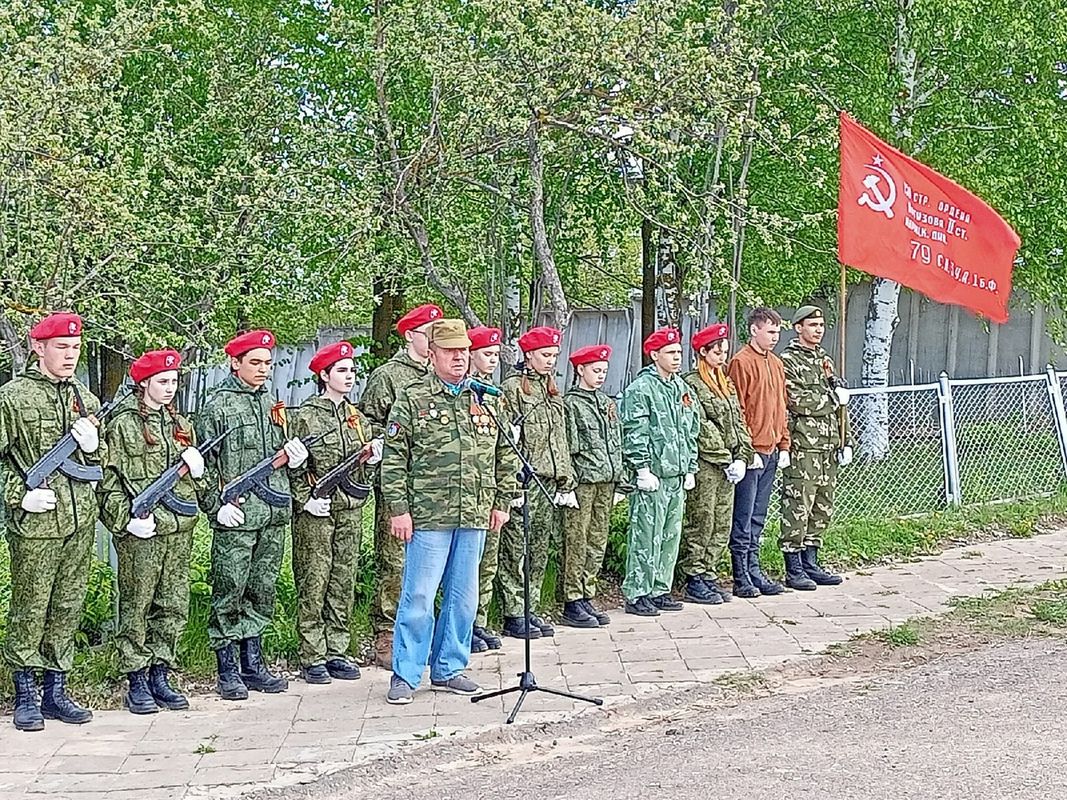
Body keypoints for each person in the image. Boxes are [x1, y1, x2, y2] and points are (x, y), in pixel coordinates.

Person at [381, 319, 517, 705]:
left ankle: (449, 667)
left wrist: (501, 501)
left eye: (463, 351)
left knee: (463, 597)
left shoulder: (486, 397)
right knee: (419, 596)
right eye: (450, 351)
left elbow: (504, 454)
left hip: (474, 511)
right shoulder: (412, 398)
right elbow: (393, 460)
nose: (459, 358)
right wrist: (399, 509)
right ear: (434, 353)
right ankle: (406, 673)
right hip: (427, 514)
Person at [0, 313, 103, 730]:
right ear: (39, 348)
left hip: (79, 519)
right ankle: (25, 692)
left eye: (75, 348)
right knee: (31, 607)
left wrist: (95, 447)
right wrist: (18, 493)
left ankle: (56, 690)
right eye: (62, 347)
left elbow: (101, 463)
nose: (70, 355)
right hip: (37, 523)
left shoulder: (87, 400)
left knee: (67, 605)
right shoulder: (13, 397)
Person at [195, 329, 310, 699]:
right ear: (235, 363)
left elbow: (279, 455)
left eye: (268, 363)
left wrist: (293, 457)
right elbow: (202, 466)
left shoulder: (270, 403)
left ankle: (253, 663)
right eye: (255, 363)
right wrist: (216, 505)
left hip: (272, 512)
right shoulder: (217, 406)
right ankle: (227, 669)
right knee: (230, 588)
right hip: (238, 515)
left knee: (262, 588)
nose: (264, 369)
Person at [100, 349, 205, 714]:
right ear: (144, 383)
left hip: (178, 529)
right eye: (163, 382)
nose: (170, 388)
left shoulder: (180, 424)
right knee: (136, 604)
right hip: (141, 530)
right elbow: (107, 481)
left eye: (174, 382)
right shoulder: (122, 424)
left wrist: (198, 475)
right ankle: (136, 678)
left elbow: (193, 484)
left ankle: (161, 672)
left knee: (173, 604)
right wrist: (123, 519)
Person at [289, 341, 381, 685]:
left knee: (343, 579)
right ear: (324, 375)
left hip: (350, 509)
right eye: (342, 371)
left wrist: (370, 463)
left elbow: (362, 472)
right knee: (315, 579)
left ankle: (337, 649)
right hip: (317, 510)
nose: (349, 376)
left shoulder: (357, 418)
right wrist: (304, 499)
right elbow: (294, 466)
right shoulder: (306, 416)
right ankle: (312, 653)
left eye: (352, 371)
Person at [359, 303, 442, 666]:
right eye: (429, 333)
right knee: (395, 560)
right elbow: (366, 423)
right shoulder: (388, 376)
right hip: (400, 481)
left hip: (436, 485)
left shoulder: (439, 374)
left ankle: (425, 633)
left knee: (430, 562)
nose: (434, 340)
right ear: (410, 336)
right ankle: (387, 632)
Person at [497, 326, 577, 640]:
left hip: (548, 478)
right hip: (525, 481)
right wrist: (513, 485)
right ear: (529, 355)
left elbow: (560, 438)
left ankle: (531, 607)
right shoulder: (514, 388)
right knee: (517, 548)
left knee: (539, 548)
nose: (550, 361)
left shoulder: (551, 389)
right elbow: (509, 441)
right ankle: (514, 612)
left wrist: (565, 480)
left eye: (554, 355)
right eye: (545, 355)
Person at [619, 327, 699, 617]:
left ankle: (659, 589)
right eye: (670, 353)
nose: (677, 358)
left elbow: (691, 428)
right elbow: (634, 430)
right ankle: (637, 592)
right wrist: (641, 467)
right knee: (645, 536)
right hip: (653, 474)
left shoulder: (681, 388)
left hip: (676, 473)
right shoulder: (641, 389)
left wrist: (690, 465)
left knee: (669, 536)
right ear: (654, 355)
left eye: (679, 352)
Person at [679, 324, 755, 604]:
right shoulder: (692, 383)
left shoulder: (725, 382)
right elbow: (700, 425)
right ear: (703, 352)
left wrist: (743, 454)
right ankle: (694, 575)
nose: (722, 356)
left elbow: (738, 420)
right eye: (717, 351)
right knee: (702, 519)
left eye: (724, 351)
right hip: (709, 463)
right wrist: (725, 457)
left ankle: (709, 572)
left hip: (729, 464)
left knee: (721, 521)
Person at [780, 306, 853, 590]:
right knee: (799, 504)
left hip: (827, 445)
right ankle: (794, 566)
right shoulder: (789, 361)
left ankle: (811, 561)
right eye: (812, 325)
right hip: (804, 445)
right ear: (798, 328)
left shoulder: (824, 360)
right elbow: (797, 400)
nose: (818, 330)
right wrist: (834, 399)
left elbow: (840, 407)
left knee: (822, 506)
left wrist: (846, 440)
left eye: (821, 324)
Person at [559, 344, 623, 628]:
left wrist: (621, 478)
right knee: (577, 539)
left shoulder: (606, 402)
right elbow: (569, 446)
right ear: (580, 370)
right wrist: (568, 483)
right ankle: (572, 599)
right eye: (595, 371)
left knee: (597, 540)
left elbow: (615, 441)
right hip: (584, 480)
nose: (600, 376)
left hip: (605, 480)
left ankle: (587, 592)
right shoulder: (571, 404)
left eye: (604, 371)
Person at [727, 308, 789, 596]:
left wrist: (784, 443)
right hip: (752, 450)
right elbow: (737, 408)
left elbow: (781, 407)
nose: (774, 337)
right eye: (770, 331)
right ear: (754, 330)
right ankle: (741, 575)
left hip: (772, 448)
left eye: (777, 332)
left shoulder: (776, 364)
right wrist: (744, 447)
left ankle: (754, 569)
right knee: (744, 513)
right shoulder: (741, 362)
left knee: (758, 515)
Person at [467, 325, 506, 653]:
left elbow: (504, 451)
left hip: (488, 490)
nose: (492, 360)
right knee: (467, 566)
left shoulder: (493, 395)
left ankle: (478, 621)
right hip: (463, 494)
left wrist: (504, 496)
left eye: (496, 355)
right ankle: (464, 625)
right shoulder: (462, 393)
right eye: (487, 354)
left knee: (487, 562)